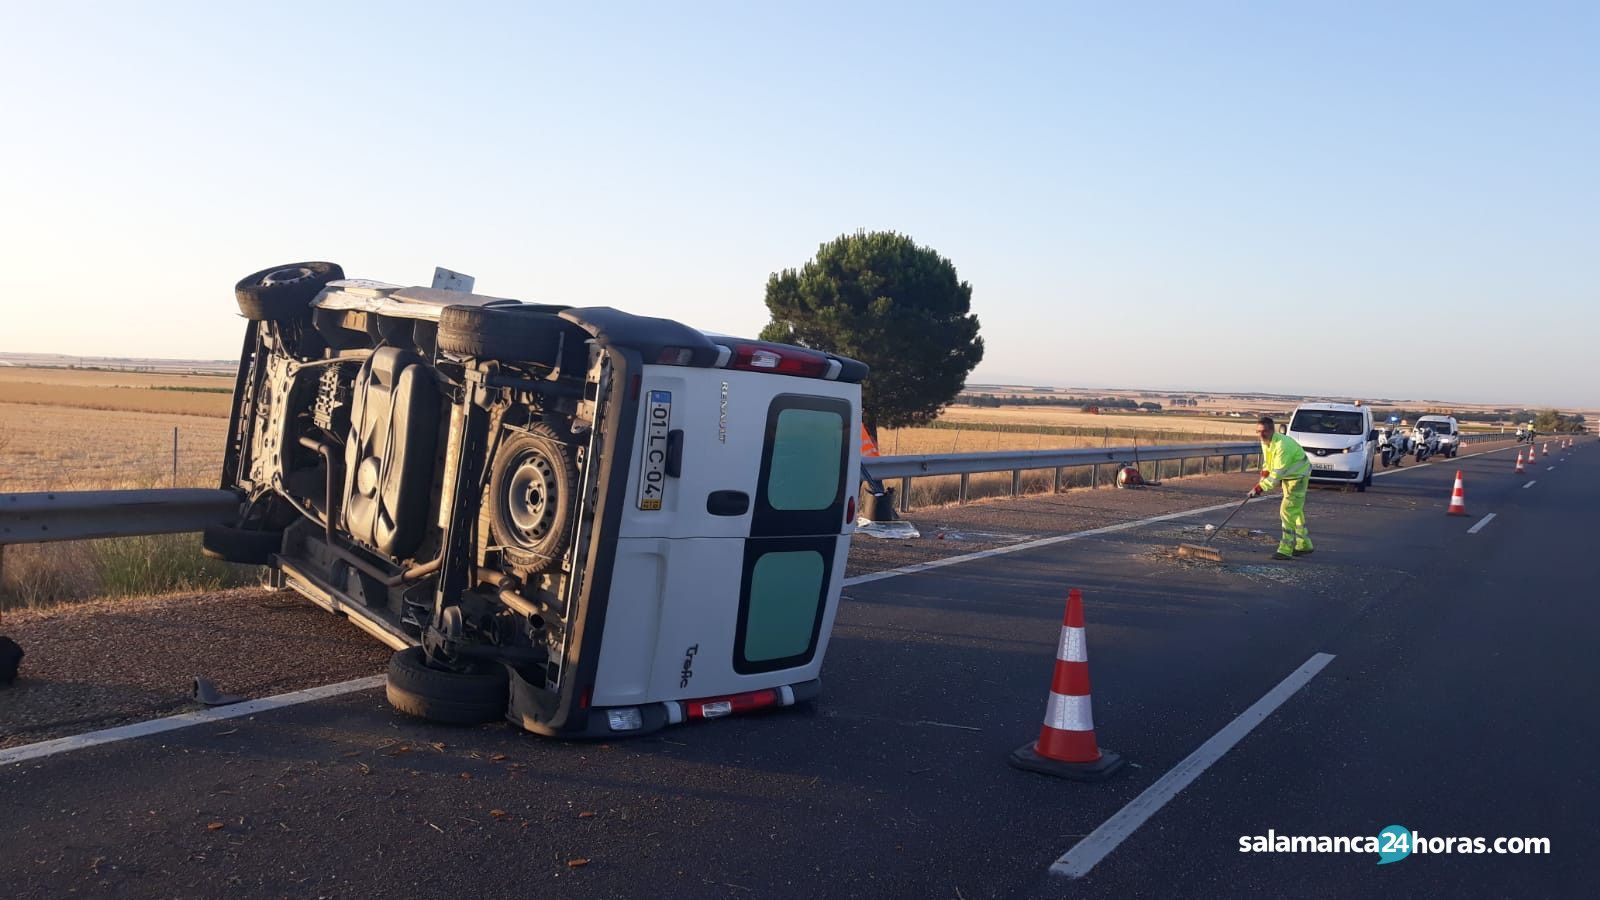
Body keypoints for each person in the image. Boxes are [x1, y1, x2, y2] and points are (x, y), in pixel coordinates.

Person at [1250, 416, 1313, 560]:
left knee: (1287, 510)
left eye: (1264, 431)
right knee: (1295, 510)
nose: (1260, 435)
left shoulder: (1282, 446)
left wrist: (1259, 488)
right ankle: (1304, 545)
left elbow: (1276, 476)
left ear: (1272, 430)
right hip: (1289, 476)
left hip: (1298, 478)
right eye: (1258, 431)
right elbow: (1268, 464)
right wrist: (1261, 480)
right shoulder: (1266, 442)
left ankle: (1285, 549)